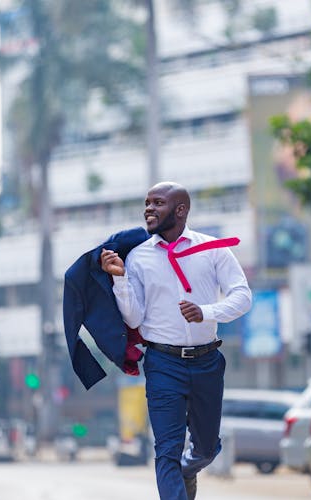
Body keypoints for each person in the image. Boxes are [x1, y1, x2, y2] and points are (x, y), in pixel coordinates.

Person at [101, 181, 252, 500]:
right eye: (146, 203)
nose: (148, 209)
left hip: (207, 362)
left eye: (157, 203)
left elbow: (242, 296)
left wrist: (206, 312)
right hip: (162, 364)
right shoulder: (138, 258)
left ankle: (189, 469)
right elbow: (134, 318)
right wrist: (119, 277)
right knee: (166, 451)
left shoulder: (212, 249)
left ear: (181, 210)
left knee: (207, 449)